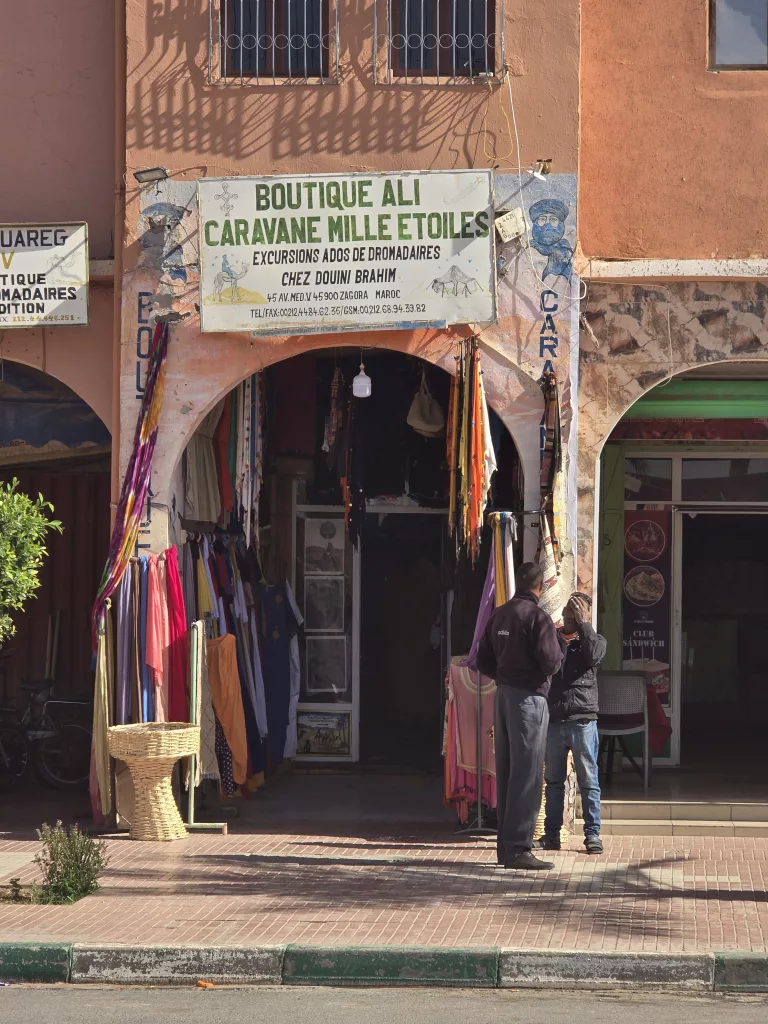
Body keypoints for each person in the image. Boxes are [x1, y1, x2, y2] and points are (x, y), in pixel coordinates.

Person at [477, 561, 564, 871]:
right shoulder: (538, 618)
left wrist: (504, 675)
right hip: (528, 700)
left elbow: (481, 659)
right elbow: (552, 662)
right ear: (540, 586)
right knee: (527, 775)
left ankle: (507, 848)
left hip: (502, 696)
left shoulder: (499, 614)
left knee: (508, 771)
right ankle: (518, 850)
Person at [535, 592, 607, 856]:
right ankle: (552, 834)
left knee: (589, 780)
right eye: (569, 608)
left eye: (577, 610)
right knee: (553, 780)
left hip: (582, 720)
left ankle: (592, 834)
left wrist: (586, 625)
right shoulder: (552, 639)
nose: (571, 613)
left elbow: (594, 657)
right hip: (555, 719)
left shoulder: (594, 640)